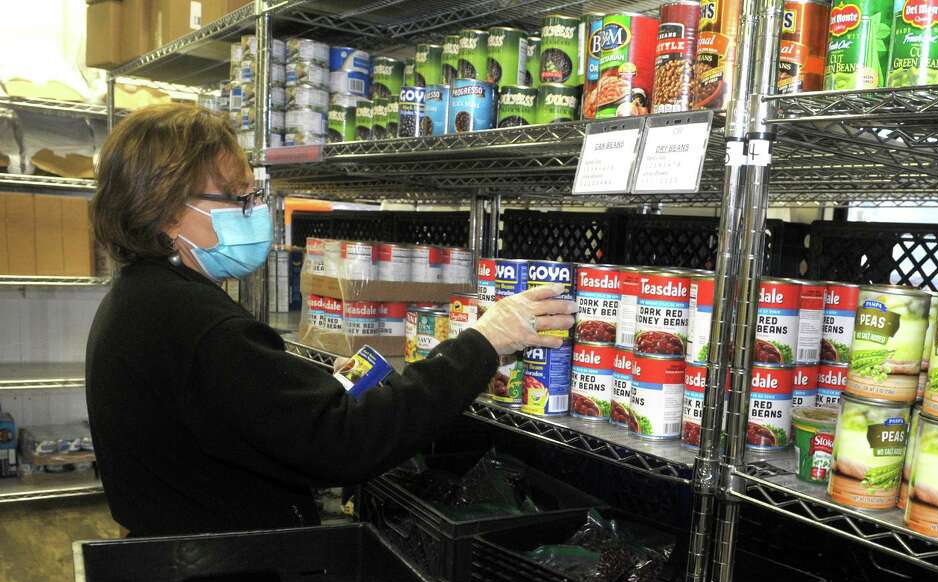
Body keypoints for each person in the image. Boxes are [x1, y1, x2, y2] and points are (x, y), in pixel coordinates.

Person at [85, 105, 572, 536]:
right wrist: (481, 343)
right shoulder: (194, 321)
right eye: (239, 201)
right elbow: (343, 445)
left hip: (183, 555)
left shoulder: (143, 297)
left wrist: (318, 389)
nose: (256, 215)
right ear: (167, 210)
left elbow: (241, 417)